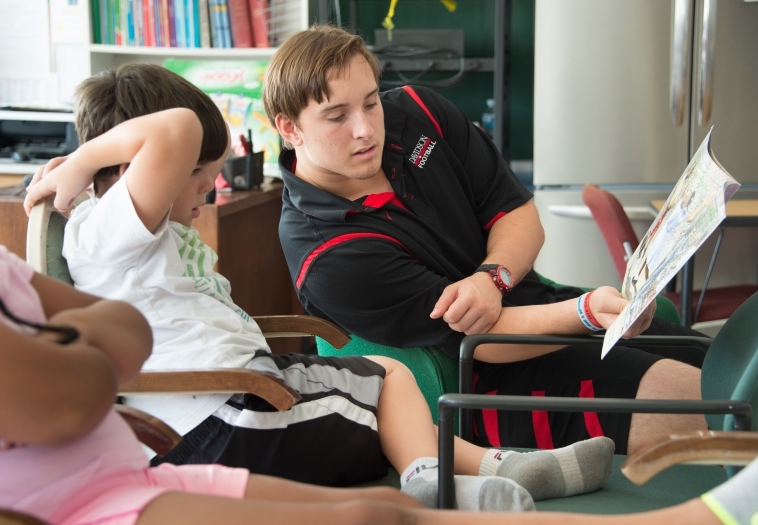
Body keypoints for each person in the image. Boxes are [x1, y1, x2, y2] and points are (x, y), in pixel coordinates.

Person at [22, 62, 619, 511]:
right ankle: (447, 479)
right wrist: (82, 161)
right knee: (385, 394)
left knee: (389, 376)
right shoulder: (107, 229)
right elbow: (176, 128)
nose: (210, 188)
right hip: (224, 420)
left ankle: (476, 469)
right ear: (132, 168)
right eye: (199, 175)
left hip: (242, 396)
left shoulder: (141, 234)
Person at [0, 236, 758, 525]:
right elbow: (82, 388)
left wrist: (73, 343)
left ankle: (448, 471)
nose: (369, 128)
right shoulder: (326, 240)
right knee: (377, 486)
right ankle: (696, 517)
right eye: (342, 112)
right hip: (98, 493)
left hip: (129, 468)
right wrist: (81, 341)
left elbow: (128, 331)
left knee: (388, 506)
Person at [263, 25, 709, 457]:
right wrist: (587, 313)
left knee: (730, 369)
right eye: (338, 116)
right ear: (290, 129)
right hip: (490, 385)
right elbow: (477, 340)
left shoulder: (418, 110)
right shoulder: (326, 254)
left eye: (371, 102)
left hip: (543, 309)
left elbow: (517, 214)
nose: (366, 129)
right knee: (717, 407)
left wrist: (491, 279)